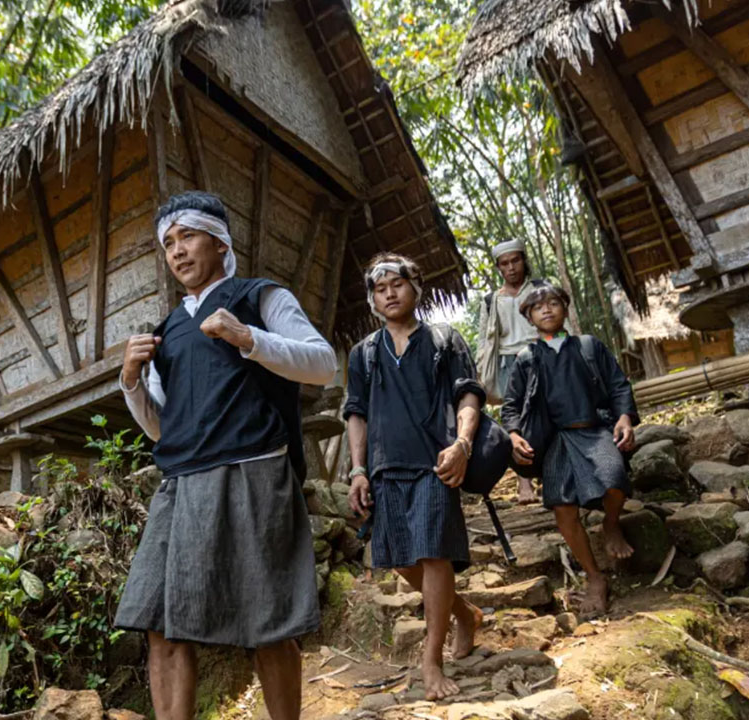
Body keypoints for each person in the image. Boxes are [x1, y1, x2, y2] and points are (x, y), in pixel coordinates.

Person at [114, 191, 337, 720]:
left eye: (187, 237)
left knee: (269, 625)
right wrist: (130, 382)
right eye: (168, 243)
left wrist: (247, 338)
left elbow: (324, 364)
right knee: (159, 623)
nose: (177, 251)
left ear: (219, 241)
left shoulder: (259, 296)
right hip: (180, 482)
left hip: (252, 471)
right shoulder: (166, 332)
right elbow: (163, 427)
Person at [343, 253, 483, 701]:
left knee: (433, 554)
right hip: (385, 469)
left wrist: (462, 443)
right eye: (379, 288)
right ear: (372, 300)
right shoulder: (363, 353)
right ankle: (464, 613)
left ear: (415, 288)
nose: (389, 292)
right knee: (403, 561)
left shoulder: (444, 340)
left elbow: (468, 396)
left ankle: (431, 660)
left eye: (397, 284)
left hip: (434, 462)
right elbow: (356, 413)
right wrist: (359, 469)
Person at [501, 281, 638, 615]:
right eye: (537, 307)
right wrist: (514, 434)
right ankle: (594, 577)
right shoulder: (527, 358)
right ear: (530, 317)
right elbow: (511, 406)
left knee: (615, 479)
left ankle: (610, 524)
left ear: (565, 307)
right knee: (563, 509)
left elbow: (619, 385)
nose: (546, 309)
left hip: (594, 431)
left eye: (553, 302)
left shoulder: (589, 346)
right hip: (556, 441)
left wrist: (624, 417)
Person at [475, 240, 549, 504]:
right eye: (504, 263)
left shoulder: (541, 289)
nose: (511, 267)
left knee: (548, 413)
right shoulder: (491, 300)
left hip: (541, 356)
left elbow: (557, 320)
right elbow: (485, 339)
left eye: (515, 261)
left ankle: (550, 477)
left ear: (524, 260)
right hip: (509, 364)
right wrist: (481, 374)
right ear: (498, 268)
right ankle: (525, 483)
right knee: (515, 421)